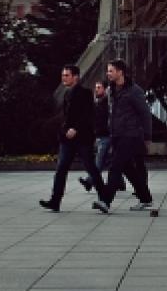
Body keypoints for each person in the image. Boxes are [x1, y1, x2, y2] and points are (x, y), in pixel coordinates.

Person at [92, 60, 154, 213]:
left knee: (115, 166)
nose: (108, 74)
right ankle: (145, 198)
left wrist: (147, 136)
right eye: (108, 71)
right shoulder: (111, 90)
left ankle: (106, 201)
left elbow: (145, 114)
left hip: (131, 134)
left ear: (120, 72)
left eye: (111, 71)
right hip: (116, 134)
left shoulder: (134, 90)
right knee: (128, 168)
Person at [41, 65, 104, 212]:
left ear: (76, 77)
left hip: (82, 138)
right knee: (61, 169)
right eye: (63, 75)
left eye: (67, 75)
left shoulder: (86, 93)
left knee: (91, 168)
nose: (64, 78)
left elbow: (88, 115)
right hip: (67, 138)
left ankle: (104, 198)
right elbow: (66, 116)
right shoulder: (67, 93)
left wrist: (76, 128)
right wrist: (64, 130)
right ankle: (55, 201)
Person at [80, 81, 112, 192]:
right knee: (106, 160)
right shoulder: (96, 102)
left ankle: (89, 181)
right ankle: (120, 183)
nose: (96, 89)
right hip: (99, 135)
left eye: (99, 87)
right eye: (95, 87)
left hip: (106, 135)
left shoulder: (106, 103)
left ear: (105, 89)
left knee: (99, 161)